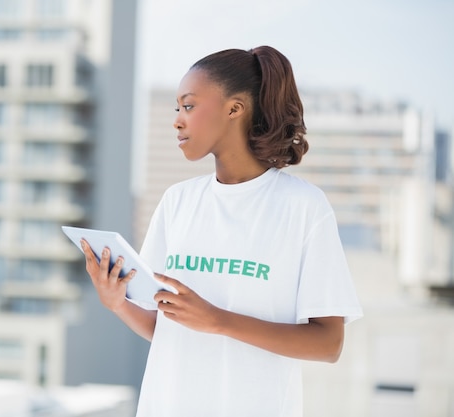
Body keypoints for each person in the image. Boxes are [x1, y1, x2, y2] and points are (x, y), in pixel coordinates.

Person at [80, 46, 363, 417]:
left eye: (189, 106)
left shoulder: (303, 207)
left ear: (234, 109)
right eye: (177, 109)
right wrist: (117, 302)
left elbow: (328, 344)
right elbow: (167, 330)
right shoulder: (177, 201)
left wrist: (220, 321)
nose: (178, 120)